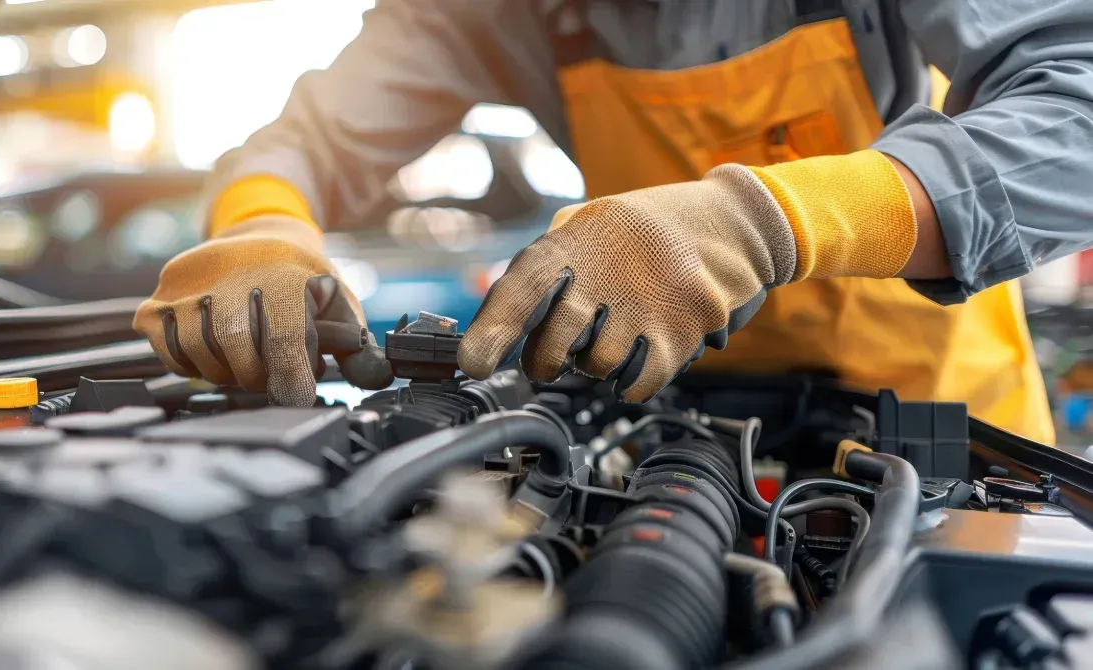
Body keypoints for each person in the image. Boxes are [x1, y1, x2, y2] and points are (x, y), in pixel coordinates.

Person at [136, 0, 1093, 444]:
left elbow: (1077, 111)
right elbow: (304, 143)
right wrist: (261, 230)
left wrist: (761, 222)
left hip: (931, 441)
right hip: (659, 419)